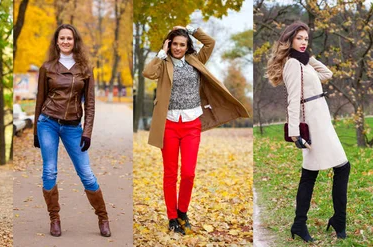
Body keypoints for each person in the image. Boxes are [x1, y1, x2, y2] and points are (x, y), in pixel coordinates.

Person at [142, 25, 250, 235]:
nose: (178, 48)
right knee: (170, 174)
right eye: (175, 44)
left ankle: (183, 212)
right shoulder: (163, 64)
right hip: (169, 124)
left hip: (192, 123)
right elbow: (148, 72)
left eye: (182, 45)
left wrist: (190, 29)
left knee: (189, 173)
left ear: (187, 46)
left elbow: (210, 42)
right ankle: (172, 218)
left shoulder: (195, 60)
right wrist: (161, 52)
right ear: (169, 44)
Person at [266, 21, 350, 242]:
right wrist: (294, 133)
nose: (303, 42)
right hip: (313, 120)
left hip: (320, 116)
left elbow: (327, 74)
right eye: (299, 38)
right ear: (290, 40)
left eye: (305, 39)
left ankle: (301, 224)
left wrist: (309, 57)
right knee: (341, 167)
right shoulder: (293, 65)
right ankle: (336, 220)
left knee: (311, 174)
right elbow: (293, 100)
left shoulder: (303, 63)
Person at [33, 24, 111, 237]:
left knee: (86, 173)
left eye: (69, 38)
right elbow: (40, 99)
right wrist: (35, 133)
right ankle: (54, 219)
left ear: (75, 41)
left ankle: (103, 218)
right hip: (47, 122)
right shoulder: (47, 67)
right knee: (49, 171)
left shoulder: (85, 69)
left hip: (72, 126)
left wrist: (87, 132)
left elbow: (91, 104)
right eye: (62, 38)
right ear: (57, 41)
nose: (66, 41)